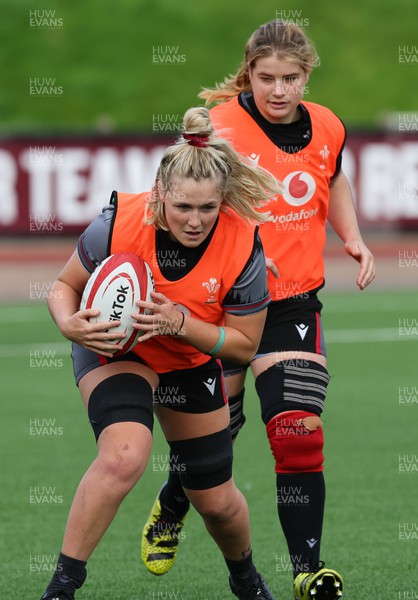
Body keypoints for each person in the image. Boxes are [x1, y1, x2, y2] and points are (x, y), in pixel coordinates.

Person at [141, 19, 375, 600]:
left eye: (291, 79)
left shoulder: (328, 125)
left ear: (306, 76)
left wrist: (353, 237)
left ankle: (308, 570)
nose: (279, 90)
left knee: (297, 431)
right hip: (225, 299)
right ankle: (172, 505)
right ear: (249, 73)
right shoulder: (218, 128)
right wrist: (239, 251)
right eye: (267, 78)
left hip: (293, 300)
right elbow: (179, 198)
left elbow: (333, 176)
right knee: (216, 438)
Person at [39, 106, 281, 600]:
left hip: (189, 359)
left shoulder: (243, 246)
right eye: (183, 208)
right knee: (125, 456)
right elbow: (64, 286)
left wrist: (182, 323)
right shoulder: (119, 222)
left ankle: (246, 580)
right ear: (160, 196)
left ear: (223, 201)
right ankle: (61, 588)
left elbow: (245, 345)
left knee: (215, 502)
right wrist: (69, 325)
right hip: (118, 350)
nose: (195, 221)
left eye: (207, 209)